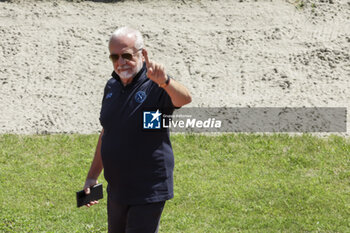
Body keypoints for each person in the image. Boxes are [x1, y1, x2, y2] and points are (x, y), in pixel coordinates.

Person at [83, 26, 192, 233]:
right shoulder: (112, 87)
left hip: (147, 189)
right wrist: (92, 175)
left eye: (126, 55)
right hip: (117, 189)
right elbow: (108, 132)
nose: (120, 62)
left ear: (142, 54)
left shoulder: (155, 85)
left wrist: (166, 82)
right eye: (114, 57)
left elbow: (184, 98)